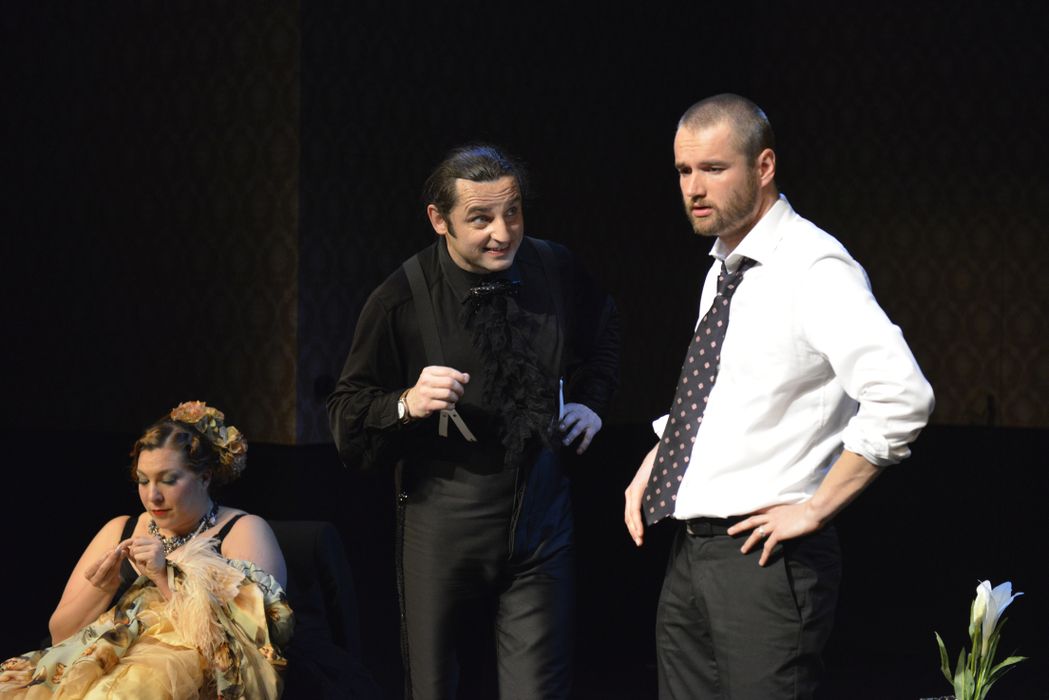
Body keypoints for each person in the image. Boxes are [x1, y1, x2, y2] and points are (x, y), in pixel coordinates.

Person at [623, 94, 935, 699]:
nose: (694, 188)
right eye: (684, 171)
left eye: (714, 169)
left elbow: (903, 397)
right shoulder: (725, 266)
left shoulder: (814, 267)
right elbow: (726, 391)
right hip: (692, 550)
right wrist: (658, 458)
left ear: (764, 166)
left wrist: (815, 509)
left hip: (766, 559)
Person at [328, 144, 619, 699]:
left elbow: (605, 329)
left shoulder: (554, 267)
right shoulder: (400, 298)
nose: (502, 233)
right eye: (480, 219)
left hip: (542, 519)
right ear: (439, 220)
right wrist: (406, 402)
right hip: (444, 519)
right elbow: (346, 414)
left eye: (513, 213)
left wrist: (591, 402)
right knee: (435, 687)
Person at [0, 401, 293, 699]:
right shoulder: (120, 529)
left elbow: (252, 648)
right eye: (143, 480)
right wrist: (104, 588)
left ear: (205, 477)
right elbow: (60, 636)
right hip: (95, 665)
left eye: (168, 480)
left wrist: (165, 577)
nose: (152, 496)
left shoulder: (243, 530)